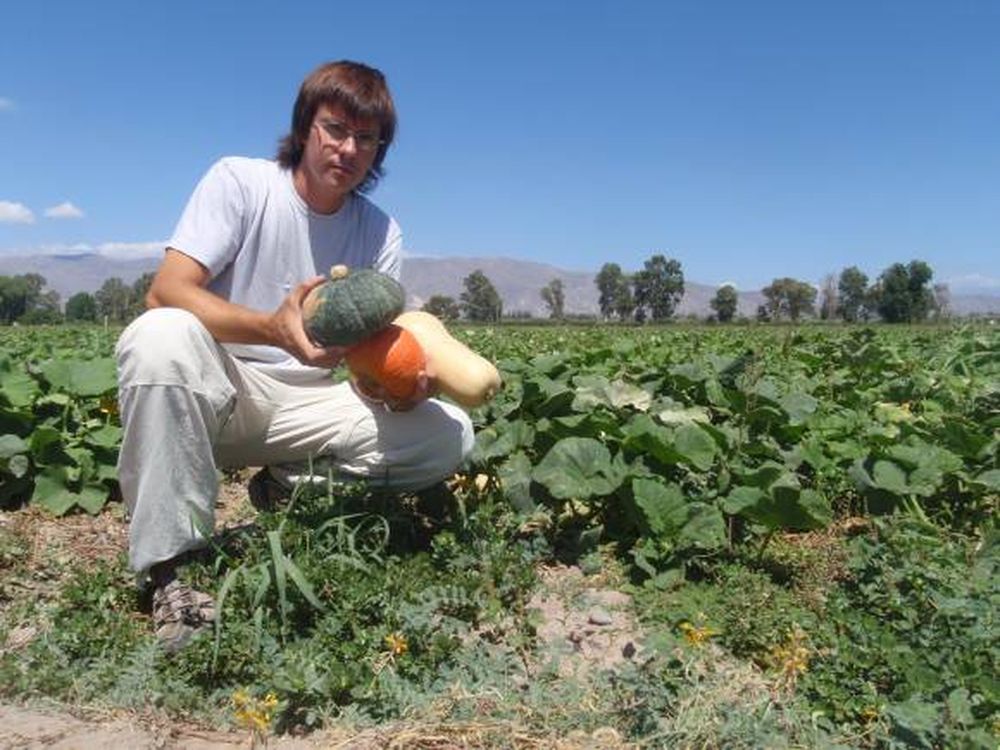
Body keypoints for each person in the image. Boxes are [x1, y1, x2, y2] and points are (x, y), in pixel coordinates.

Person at [115, 60, 474, 652]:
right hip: (219, 392)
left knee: (449, 435)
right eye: (336, 128)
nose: (349, 148)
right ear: (306, 126)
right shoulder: (241, 183)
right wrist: (271, 329)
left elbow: (364, 359)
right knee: (159, 335)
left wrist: (395, 385)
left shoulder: (380, 232)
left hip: (309, 404)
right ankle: (171, 569)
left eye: (366, 138)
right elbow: (166, 290)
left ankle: (285, 487)